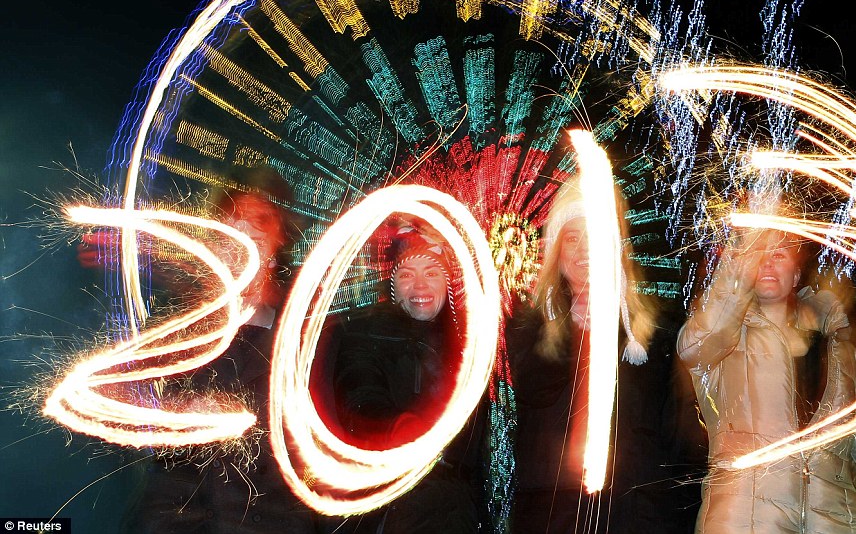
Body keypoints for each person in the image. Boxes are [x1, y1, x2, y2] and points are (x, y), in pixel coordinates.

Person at [677, 227, 856, 533]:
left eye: (779, 255)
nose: (767, 263)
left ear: (796, 276)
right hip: (746, 523)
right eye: (759, 256)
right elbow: (694, 346)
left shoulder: (842, 353)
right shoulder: (723, 344)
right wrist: (742, 256)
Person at [115, 166, 322, 533]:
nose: (238, 254)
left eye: (254, 239)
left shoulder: (306, 337)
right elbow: (123, 401)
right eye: (228, 239)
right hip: (180, 519)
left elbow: (328, 437)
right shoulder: (177, 324)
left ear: (276, 251)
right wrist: (176, 413)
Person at [506, 180, 703, 533]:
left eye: (594, 234)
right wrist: (571, 321)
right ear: (556, 251)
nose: (584, 250)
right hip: (554, 515)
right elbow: (533, 390)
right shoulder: (527, 328)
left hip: (636, 514)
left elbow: (677, 440)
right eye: (571, 237)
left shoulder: (654, 337)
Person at [311, 219, 485, 533]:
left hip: (458, 513)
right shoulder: (366, 335)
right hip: (391, 511)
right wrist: (399, 428)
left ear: (448, 280)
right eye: (406, 275)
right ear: (391, 283)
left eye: (431, 273)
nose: (420, 287)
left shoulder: (472, 345)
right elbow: (359, 391)